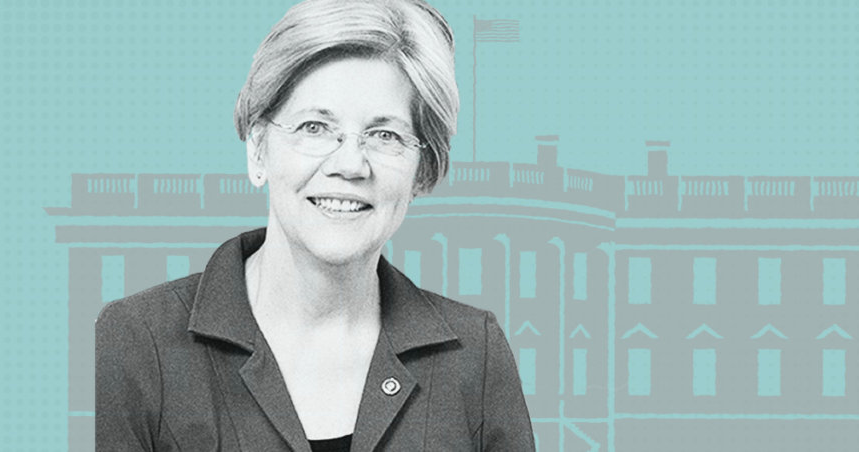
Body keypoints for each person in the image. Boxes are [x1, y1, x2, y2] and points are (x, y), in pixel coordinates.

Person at [94, 0, 535, 450]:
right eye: (314, 127)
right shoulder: (135, 342)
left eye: (385, 135)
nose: (350, 164)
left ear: (423, 171)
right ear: (258, 150)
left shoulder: (475, 355)